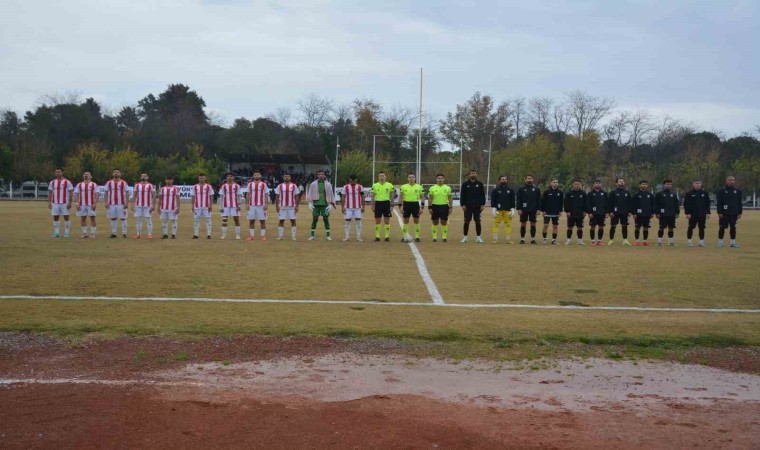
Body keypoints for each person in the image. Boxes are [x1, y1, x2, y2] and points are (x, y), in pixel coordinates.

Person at [306, 170, 336, 241]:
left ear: (324, 175)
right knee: (315, 219)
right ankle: (312, 236)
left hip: (325, 204)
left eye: (322, 174)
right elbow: (310, 193)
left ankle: (328, 236)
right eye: (319, 174)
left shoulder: (328, 184)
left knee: (326, 219)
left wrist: (330, 204)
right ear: (317, 175)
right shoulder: (313, 184)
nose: (321, 176)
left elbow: (331, 194)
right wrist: (310, 203)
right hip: (316, 204)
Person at [716, 175, 743, 248]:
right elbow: (719, 203)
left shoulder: (737, 191)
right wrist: (719, 212)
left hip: (734, 213)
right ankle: (720, 242)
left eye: (733, 180)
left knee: (733, 228)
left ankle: (733, 242)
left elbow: (739, 203)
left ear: (735, 181)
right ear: (726, 181)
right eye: (730, 180)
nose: (731, 181)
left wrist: (740, 212)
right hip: (724, 213)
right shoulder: (722, 191)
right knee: (722, 228)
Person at [460, 169, 486, 243]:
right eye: (471, 173)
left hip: (477, 207)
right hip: (467, 207)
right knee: (466, 221)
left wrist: (482, 204)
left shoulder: (480, 184)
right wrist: (462, 204)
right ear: (469, 175)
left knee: (478, 221)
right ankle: (465, 237)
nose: (473, 174)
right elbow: (462, 195)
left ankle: (478, 238)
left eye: (474, 173)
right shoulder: (465, 184)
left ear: (476, 175)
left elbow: (482, 195)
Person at [683, 179, 711, 247]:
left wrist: (708, 212)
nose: (698, 185)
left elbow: (707, 204)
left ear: (701, 184)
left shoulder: (705, 193)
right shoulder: (689, 194)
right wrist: (687, 213)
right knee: (691, 227)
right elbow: (686, 204)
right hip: (692, 214)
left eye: (699, 183)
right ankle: (689, 241)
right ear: (693, 184)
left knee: (702, 228)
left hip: (702, 214)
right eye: (696, 183)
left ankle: (701, 242)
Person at [48, 168, 74, 239]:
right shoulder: (52, 182)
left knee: (66, 217)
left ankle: (66, 232)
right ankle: (56, 233)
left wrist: (70, 202)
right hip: (55, 203)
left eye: (59, 172)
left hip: (64, 203)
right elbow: (50, 193)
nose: (57, 173)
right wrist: (49, 202)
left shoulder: (67, 182)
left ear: (62, 173)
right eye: (56, 172)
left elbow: (71, 192)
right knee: (55, 217)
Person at [426, 174, 452, 242]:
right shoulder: (432, 188)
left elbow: (450, 198)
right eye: (438, 178)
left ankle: (444, 237)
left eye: (441, 178)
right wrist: (430, 207)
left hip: (444, 206)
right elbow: (430, 198)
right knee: (435, 221)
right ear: (436, 179)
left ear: (444, 179)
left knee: (444, 221)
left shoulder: (448, 188)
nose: (440, 179)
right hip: (435, 206)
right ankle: (434, 237)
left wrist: (450, 207)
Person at [399, 173, 424, 242]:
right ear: (407, 178)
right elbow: (400, 197)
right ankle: (405, 236)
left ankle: (417, 237)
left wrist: (422, 207)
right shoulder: (403, 187)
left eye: (412, 177)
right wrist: (400, 206)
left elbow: (422, 197)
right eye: (409, 177)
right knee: (406, 220)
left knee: (416, 220)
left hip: (415, 204)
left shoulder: (419, 187)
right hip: (406, 204)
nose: (411, 178)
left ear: (415, 178)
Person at [607, 178, 632, 246]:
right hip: (615, 212)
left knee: (624, 226)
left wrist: (630, 211)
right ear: (616, 183)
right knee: (613, 226)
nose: (622, 182)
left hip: (624, 212)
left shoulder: (627, 192)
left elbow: (630, 203)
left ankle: (625, 240)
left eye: (623, 181)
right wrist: (610, 211)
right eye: (620, 181)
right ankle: (611, 240)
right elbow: (609, 203)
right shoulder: (613, 193)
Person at [275, 173, 302, 240]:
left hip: (291, 206)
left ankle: (293, 236)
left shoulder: (294, 186)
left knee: (293, 221)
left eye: (288, 176)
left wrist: (297, 206)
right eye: (285, 176)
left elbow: (297, 196)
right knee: (281, 220)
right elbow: (277, 196)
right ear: (283, 178)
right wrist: (277, 206)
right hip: (282, 206)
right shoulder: (280, 186)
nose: (286, 177)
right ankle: (280, 236)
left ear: (290, 178)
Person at [516, 175, 541, 244]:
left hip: (533, 209)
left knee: (533, 224)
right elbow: (518, 199)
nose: (529, 179)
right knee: (523, 224)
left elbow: (539, 200)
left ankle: (533, 239)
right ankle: (522, 239)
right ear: (525, 179)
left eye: (531, 178)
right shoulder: (521, 189)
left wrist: (539, 209)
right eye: (528, 178)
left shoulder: (536, 189)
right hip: (523, 209)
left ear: (533, 179)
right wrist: (519, 209)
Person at [130, 173, 156, 239]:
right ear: (140, 177)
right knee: (138, 220)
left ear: (147, 177)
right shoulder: (137, 185)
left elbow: (154, 196)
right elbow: (134, 195)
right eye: (142, 176)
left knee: (149, 220)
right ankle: (138, 234)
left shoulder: (150, 185)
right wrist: (132, 204)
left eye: (145, 176)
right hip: (138, 206)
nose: (143, 177)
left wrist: (153, 205)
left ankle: (149, 234)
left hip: (148, 206)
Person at [490, 175, 515, 244]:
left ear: (507, 180)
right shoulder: (495, 190)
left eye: (505, 179)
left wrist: (513, 208)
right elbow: (493, 200)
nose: (504, 180)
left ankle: (508, 239)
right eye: (502, 179)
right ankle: (495, 239)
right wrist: (493, 208)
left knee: (508, 225)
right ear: (499, 180)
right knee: (496, 224)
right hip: (498, 211)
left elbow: (513, 200)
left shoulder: (510, 190)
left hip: (508, 210)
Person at [105, 169, 129, 238]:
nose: (116, 173)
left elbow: (127, 193)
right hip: (111, 204)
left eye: (118, 172)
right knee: (113, 218)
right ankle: (114, 233)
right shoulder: (109, 183)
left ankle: (124, 233)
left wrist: (126, 203)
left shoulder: (124, 183)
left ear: (120, 174)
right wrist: (106, 202)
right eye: (115, 172)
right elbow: (106, 193)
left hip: (121, 204)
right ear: (112, 174)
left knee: (123, 218)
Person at [73, 171, 98, 238]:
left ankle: (92, 233)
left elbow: (97, 194)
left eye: (88, 174)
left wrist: (95, 203)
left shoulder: (94, 184)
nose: (86, 175)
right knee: (83, 219)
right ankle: (84, 234)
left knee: (92, 218)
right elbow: (76, 194)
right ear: (83, 176)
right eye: (85, 174)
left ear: (91, 176)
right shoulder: (79, 185)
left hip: (91, 204)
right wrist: (77, 203)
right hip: (82, 204)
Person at [655, 178, 679, 246]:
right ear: (664, 185)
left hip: (671, 214)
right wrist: (657, 212)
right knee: (661, 228)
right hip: (663, 214)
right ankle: (659, 242)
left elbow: (676, 204)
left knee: (671, 228)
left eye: (670, 184)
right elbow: (656, 204)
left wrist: (677, 212)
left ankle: (671, 242)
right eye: (667, 184)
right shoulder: (659, 194)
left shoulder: (673, 194)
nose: (669, 185)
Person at [371, 171, 394, 242]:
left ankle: (387, 236)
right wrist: (372, 205)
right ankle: (377, 236)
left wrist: (392, 205)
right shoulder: (375, 185)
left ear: (385, 177)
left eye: (383, 176)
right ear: (378, 177)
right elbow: (372, 196)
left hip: (386, 203)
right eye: (380, 176)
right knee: (377, 221)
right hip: (378, 203)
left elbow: (392, 195)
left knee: (387, 221)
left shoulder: (390, 185)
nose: (381, 177)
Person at [245, 171, 269, 241]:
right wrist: (247, 204)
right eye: (255, 175)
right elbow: (248, 194)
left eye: (258, 175)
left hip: (261, 206)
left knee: (262, 221)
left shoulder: (264, 184)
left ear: (260, 176)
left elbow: (266, 194)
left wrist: (266, 204)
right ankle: (251, 236)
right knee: (251, 221)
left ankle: (263, 236)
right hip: (251, 205)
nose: (256, 176)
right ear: (253, 176)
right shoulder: (250, 184)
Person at [631, 180, 655, 246]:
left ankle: (645, 241)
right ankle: (637, 241)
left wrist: (652, 213)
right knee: (637, 227)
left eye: (645, 184)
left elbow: (653, 204)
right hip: (638, 214)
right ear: (640, 185)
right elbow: (633, 205)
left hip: (647, 214)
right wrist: (634, 213)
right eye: (643, 184)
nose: (644, 185)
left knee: (646, 227)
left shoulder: (650, 195)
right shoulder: (636, 195)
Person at [341, 175, 365, 241]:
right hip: (348, 208)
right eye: (351, 180)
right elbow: (343, 197)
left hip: (358, 208)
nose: (353, 181)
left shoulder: (360, 187)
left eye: (354, 180)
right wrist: (342, 207)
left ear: (356, 180)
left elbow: (363, 197)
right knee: (347, 222)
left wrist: (363, 207)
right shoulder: (345, 187)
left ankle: (358, 237)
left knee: (358, 221)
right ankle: (347, 236)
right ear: (349, 180)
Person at [540, 178, 563, 245]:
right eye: (554, 182)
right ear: (551, 183)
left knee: (555, 226)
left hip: (556, 212)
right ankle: (544, 239)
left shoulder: (560, 192)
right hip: (547, 211)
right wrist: (543, 210)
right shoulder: (546, 192)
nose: (555, 183)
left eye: (557, 182)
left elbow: (561, 202)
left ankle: (554, 240)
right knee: (545, 225)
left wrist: (560, 211)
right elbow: (543, 202)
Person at [191, 173, 214, 239]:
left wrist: (210, 205)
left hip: (206, 206)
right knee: (196, 220)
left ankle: (209, 235)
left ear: (205, 178)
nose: (201, 179)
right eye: (200, 178)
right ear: (198, 178)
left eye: (203, 178)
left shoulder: (209, 186)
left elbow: (211, 196)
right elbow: (193, 196)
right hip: (197, 206)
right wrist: (192, 206)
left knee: (208, 220)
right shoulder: (195, 187)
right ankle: (196, 234)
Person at [219, 173, 242, 240]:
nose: (229, 177)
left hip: (235, 206)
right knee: (224, 220)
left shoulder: (237, 186)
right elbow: (221, 197)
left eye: (231, 176)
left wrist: (239, 205)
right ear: (226, 178)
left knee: (236, 220)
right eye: (228, 176)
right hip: (225, 206)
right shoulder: (223, 186)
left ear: (233, 177)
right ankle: (223, 235)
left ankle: (237, 235)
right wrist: (221, 207)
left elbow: (239, 196)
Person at [563, 180, 587, 245]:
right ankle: (568, 240)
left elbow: (585, 203)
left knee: (580, 227)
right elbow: (566, 203)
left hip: (580, 213)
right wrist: (567, 211)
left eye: (578, 184)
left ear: (580, 185)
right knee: (570, 227)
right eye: (575, 184)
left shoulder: (583, 193)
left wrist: (585, 211)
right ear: (573, 185)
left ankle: (580, 241)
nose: (577, 185)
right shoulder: (569, 193)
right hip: (571, 213)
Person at [586, 179, 608, 246]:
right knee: (592, 227)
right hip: (593, 214)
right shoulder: (590, 194)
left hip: (602, 213)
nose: (598, 184)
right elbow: (588, 204)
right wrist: (589, 212)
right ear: (594, 184)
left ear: (601, 184)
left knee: (601, 227)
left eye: (599, 183)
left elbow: (607, 203)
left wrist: (607, 212)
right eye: (596, 183)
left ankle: (599, 241)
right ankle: (592, 241)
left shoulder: (604, 193)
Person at [158, 175, 180, 239]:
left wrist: (178, 208)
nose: (168, 181)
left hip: (173, 208)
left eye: (170, 179)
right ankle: (165, 234)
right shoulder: (162, 189)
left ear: (172, 181)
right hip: (163, 208)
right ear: (165, 180)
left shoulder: (176, 189)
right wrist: (158, 208)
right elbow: (160, 199)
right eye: (167, 179)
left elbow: (178, 199)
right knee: (164, 221)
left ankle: (173, 234)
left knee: (173, 221)